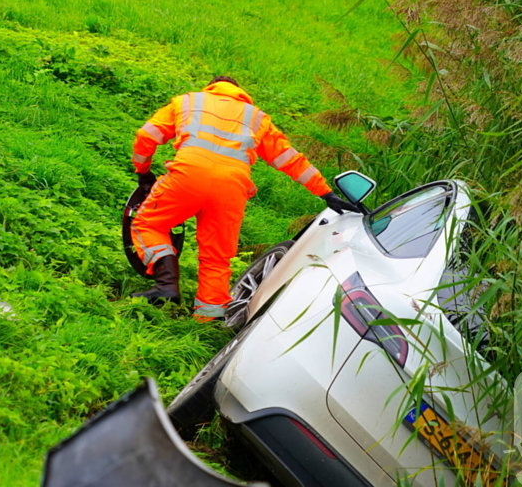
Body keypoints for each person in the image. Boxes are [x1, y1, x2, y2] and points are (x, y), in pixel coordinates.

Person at [129, 76, 360, 322]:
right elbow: (290, 159)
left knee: (149, 224)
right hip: (232, 188)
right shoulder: (256, 117)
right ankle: (207, 320)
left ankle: (166, 286)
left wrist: (143, 171)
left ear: (212, 86)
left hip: (187, 176)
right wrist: (326, 192)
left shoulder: (188, 102)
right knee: (217, 256)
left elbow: (146, 136)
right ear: (240, 93)